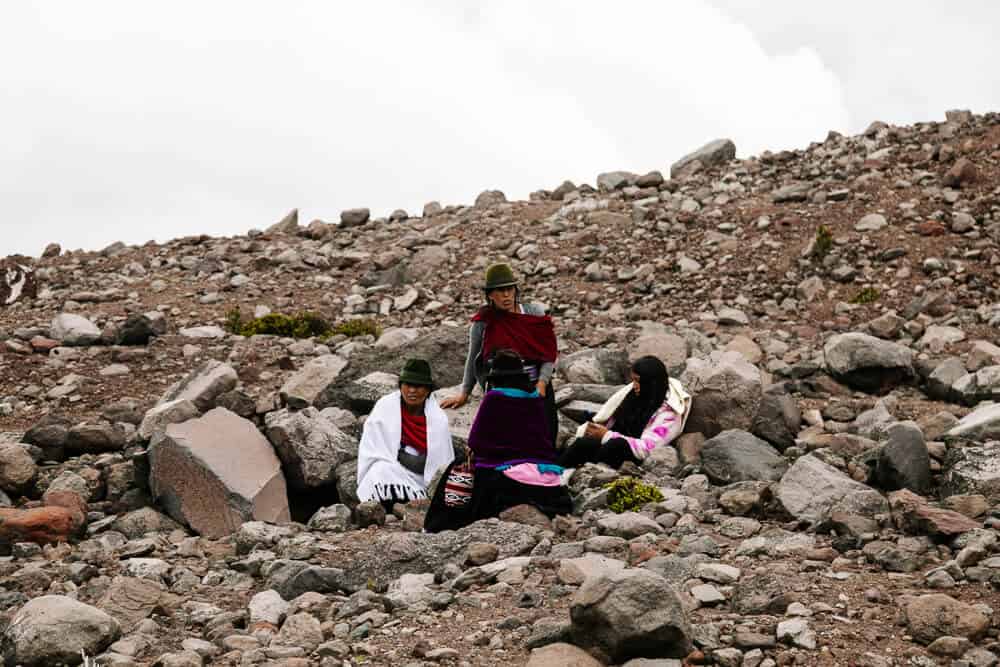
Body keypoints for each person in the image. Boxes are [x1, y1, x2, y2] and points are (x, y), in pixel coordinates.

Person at [424, 349, 572, 533]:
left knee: (458, 466)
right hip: (545, 475)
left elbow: (476, 440)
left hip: (510, 477)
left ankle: (437, 526)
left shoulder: (494, 398)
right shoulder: (536, 399)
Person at [439, 262, 559, 442]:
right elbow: (474, 358)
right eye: (499, 290)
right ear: (490, 295)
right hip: (502, 390)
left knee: (546, 436)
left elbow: (548, 352)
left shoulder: (534, 313)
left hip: (536, 384)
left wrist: (542, 383)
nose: (505, 295)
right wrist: (465, 393)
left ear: (515, 290)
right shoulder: (484, 322)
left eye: (509, 289)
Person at [557, 356, 691, 470]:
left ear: (651, 383)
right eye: (633, 380)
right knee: (584, 443)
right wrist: (599, 430)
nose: (634, 385)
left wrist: (606, 435)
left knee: (615, 446)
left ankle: (587, 472)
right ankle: (555, 474)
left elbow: (647, 448)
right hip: (614, 442)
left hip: (634, 455)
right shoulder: (635, 395)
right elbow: (615, 420)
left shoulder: (668, 414)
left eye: (638, 381)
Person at [356, 358, 454, 510]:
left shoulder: (438, 419)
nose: (412, 391)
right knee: (379, 471)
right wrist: (400, 456)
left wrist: (416, 461)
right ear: (400, 386)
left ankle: (414, 503)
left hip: (423, 479)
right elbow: (373, 448)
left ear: (428, 389)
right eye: (408, 385)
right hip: (392, 467)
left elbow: (440, 463)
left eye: (418, 386)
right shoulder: (385, 407)